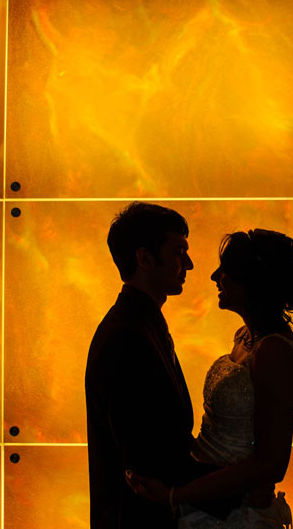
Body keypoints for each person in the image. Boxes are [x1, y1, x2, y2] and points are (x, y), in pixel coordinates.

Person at [127, 229, 293, 529]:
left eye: (225, 270)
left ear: (252, 281)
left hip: (235, 512)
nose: (214, 276)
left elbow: (270, 463)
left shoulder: (273, 351)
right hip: (205, 496)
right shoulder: (245, 337)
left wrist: (176, 494)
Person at [85, 201, 202, 529]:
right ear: (145, 259)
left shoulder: (138, 324)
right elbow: (146, 455)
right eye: (180, 251)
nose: (189, 263)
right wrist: (234, 483)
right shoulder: (127, 335)